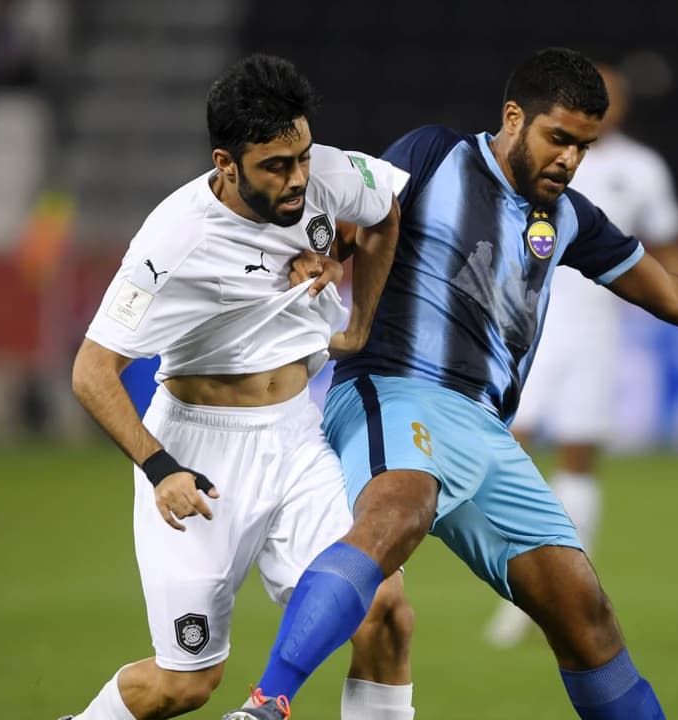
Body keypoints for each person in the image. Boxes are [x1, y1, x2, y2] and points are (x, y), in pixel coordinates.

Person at [227, 47, 678, 720]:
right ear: (515, 118)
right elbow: (355, 214)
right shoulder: (434, 154)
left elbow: (671, 293)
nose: (570, 159)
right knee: (398, 510)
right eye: (559, 138)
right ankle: (266, 705)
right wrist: (320, 257)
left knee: (585, 613)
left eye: (583, 146)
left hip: (485, 430)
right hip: (395, 389)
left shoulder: (569, 217)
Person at [63, 54, 416, 720]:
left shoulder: (327, 176)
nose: (299, 179)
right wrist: (161, 469)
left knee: (386, 611)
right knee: (187, 684)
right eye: (276, 167)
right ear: (226, 164)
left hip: (295, 437)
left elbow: (386, 212)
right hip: (198, 458)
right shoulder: (174, 239)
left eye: (303, 157)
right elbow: (91, 370)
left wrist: (356, 320)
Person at [484, 61, 678, 648]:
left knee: (580, 457)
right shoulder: (534, 154)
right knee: (508, 448)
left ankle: (565, 589)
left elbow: (668, 249)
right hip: (526, 322)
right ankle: (519, 585)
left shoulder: (641, 169)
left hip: (597, 328)